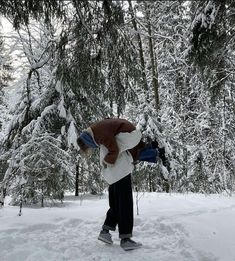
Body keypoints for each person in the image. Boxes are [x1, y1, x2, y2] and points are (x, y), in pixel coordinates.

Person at [77, 118, 165, 251]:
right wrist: (108, 162)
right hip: (120, 172)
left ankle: (105, 232)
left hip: (112, 175)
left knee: (117, 205)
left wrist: (107, 163)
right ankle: (125, 239)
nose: (91, 148)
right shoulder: (106, 136)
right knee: (125, 205)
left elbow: (126, 150)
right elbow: (117, 150)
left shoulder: (103, 136)